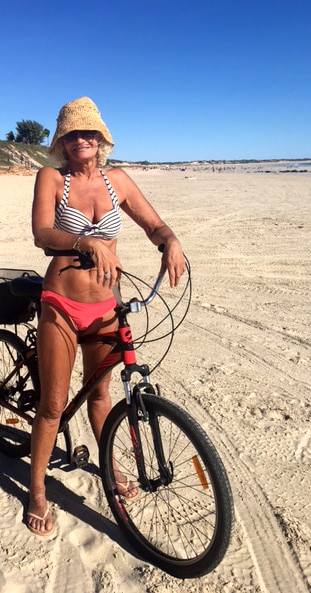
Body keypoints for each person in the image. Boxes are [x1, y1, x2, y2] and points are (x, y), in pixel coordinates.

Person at [27, 97, 185, 536]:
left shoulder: (118, 181)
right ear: (62, 140)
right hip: (61, 301)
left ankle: (109, 467)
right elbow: (42, 234)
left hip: (105, 307)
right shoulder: (51, 178)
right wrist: (84, 242)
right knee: (53, 405)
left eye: (89, 132)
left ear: (100, 140)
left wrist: (170, 240)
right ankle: (37, 490)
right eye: (73, 133)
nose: (82, 139)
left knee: (100, 396)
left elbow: (153, 225)